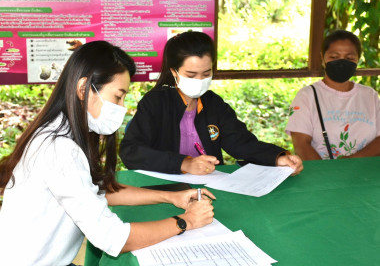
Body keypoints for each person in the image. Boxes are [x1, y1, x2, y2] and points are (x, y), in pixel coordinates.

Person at [0, 41, 215, 265]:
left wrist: (171, 197)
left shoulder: (62, 132)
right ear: (84, 89)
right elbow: (113, 238)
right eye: (117, 96)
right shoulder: (60, 150)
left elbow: (98, 191)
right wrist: (186, 222)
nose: (122, 107)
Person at [119, 31, 303, 175]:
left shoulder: (213, 103)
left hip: (211, 185)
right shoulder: (155, 103)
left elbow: (240, 142)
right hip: (166, 188)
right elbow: (131, 151)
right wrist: (184, 163)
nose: (200, 80)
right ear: (174, 72)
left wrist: (277, 158)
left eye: (206, 74)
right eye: (191, 75)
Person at [286, 30, 380, 160]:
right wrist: (328, 174)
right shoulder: (307, 96)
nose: (341, 62)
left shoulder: (370, 95)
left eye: (349, 58)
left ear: (358, 59)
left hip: (366, 174)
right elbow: (301, 145)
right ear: (322, 58)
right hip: (323, 176)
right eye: (334, 57)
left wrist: (352, 161)